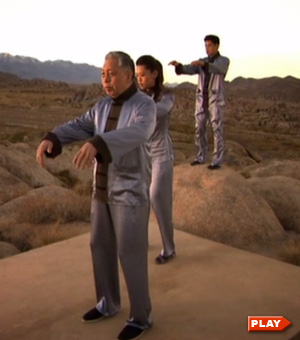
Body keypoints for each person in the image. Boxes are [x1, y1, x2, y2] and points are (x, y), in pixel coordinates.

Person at [36, 51, 156, 340]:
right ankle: (107, 304)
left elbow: (138, 133)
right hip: (101, 190)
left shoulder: (145, 106)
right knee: (99, 247)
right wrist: (52, 137)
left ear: (129, 75)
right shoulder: (101, 107)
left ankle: (141, 318)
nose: (106, 78)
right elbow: (79, 125)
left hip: (130, 192)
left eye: (111, 73)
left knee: (130, 254)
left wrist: (98, 142)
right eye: (103, 73)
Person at [136, 55, 176, 264]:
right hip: (144, 154)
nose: (139, 79)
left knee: (158, 200)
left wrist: (136, 107)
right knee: (141, 199)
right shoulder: (139, 97)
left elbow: (159, 111)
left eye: (143, 75)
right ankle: (142, 241)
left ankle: (169, 249)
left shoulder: (166, 96)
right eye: (137, 76)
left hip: (162, 154)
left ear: (155, 73)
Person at [169, 34, 230, 170]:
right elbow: (189, 69)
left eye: (209, 46)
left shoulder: (223, 61)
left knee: (217, 130)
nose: (207, 49)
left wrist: (204, 64)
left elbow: (219, 69)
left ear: (216, 46)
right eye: (205, 46)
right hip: (202, 99)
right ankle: (201, 157)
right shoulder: (202, 62)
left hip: (215, 100)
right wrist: (179, 66)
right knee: (199, 129)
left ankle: (217, 160)